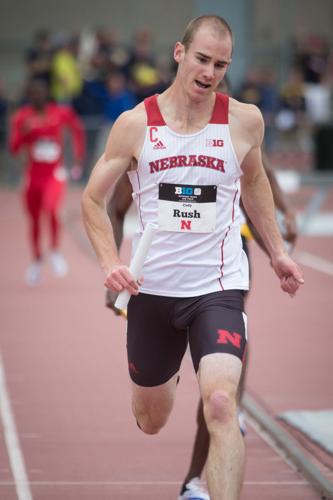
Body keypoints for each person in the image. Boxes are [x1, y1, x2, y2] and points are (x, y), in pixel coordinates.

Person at [81, 15, 304, 500]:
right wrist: (108, 265)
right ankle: (170, 368)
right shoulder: (135, 125)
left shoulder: (244, 120)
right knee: (151, 420)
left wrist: (277, 253)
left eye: (220, 64)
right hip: (153, 290)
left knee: (222, 404)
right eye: (202, 59)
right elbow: (94, 200)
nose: (210, 72)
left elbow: (256, 184)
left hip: (218, 287)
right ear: (180, 54)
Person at [9, 78, 85, 285]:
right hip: (33, 175)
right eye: (33, 94)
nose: (37, 97)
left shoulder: (59, 113)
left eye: (40, 93)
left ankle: (54, 251)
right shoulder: (22, 117)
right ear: (29, 96)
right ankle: (36, 260)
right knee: (34, 219)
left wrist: (78, 157)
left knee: (51, 209)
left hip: (54, 174)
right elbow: (14, 148)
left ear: (46, 94)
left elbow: (77, 129)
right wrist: (23, 133)